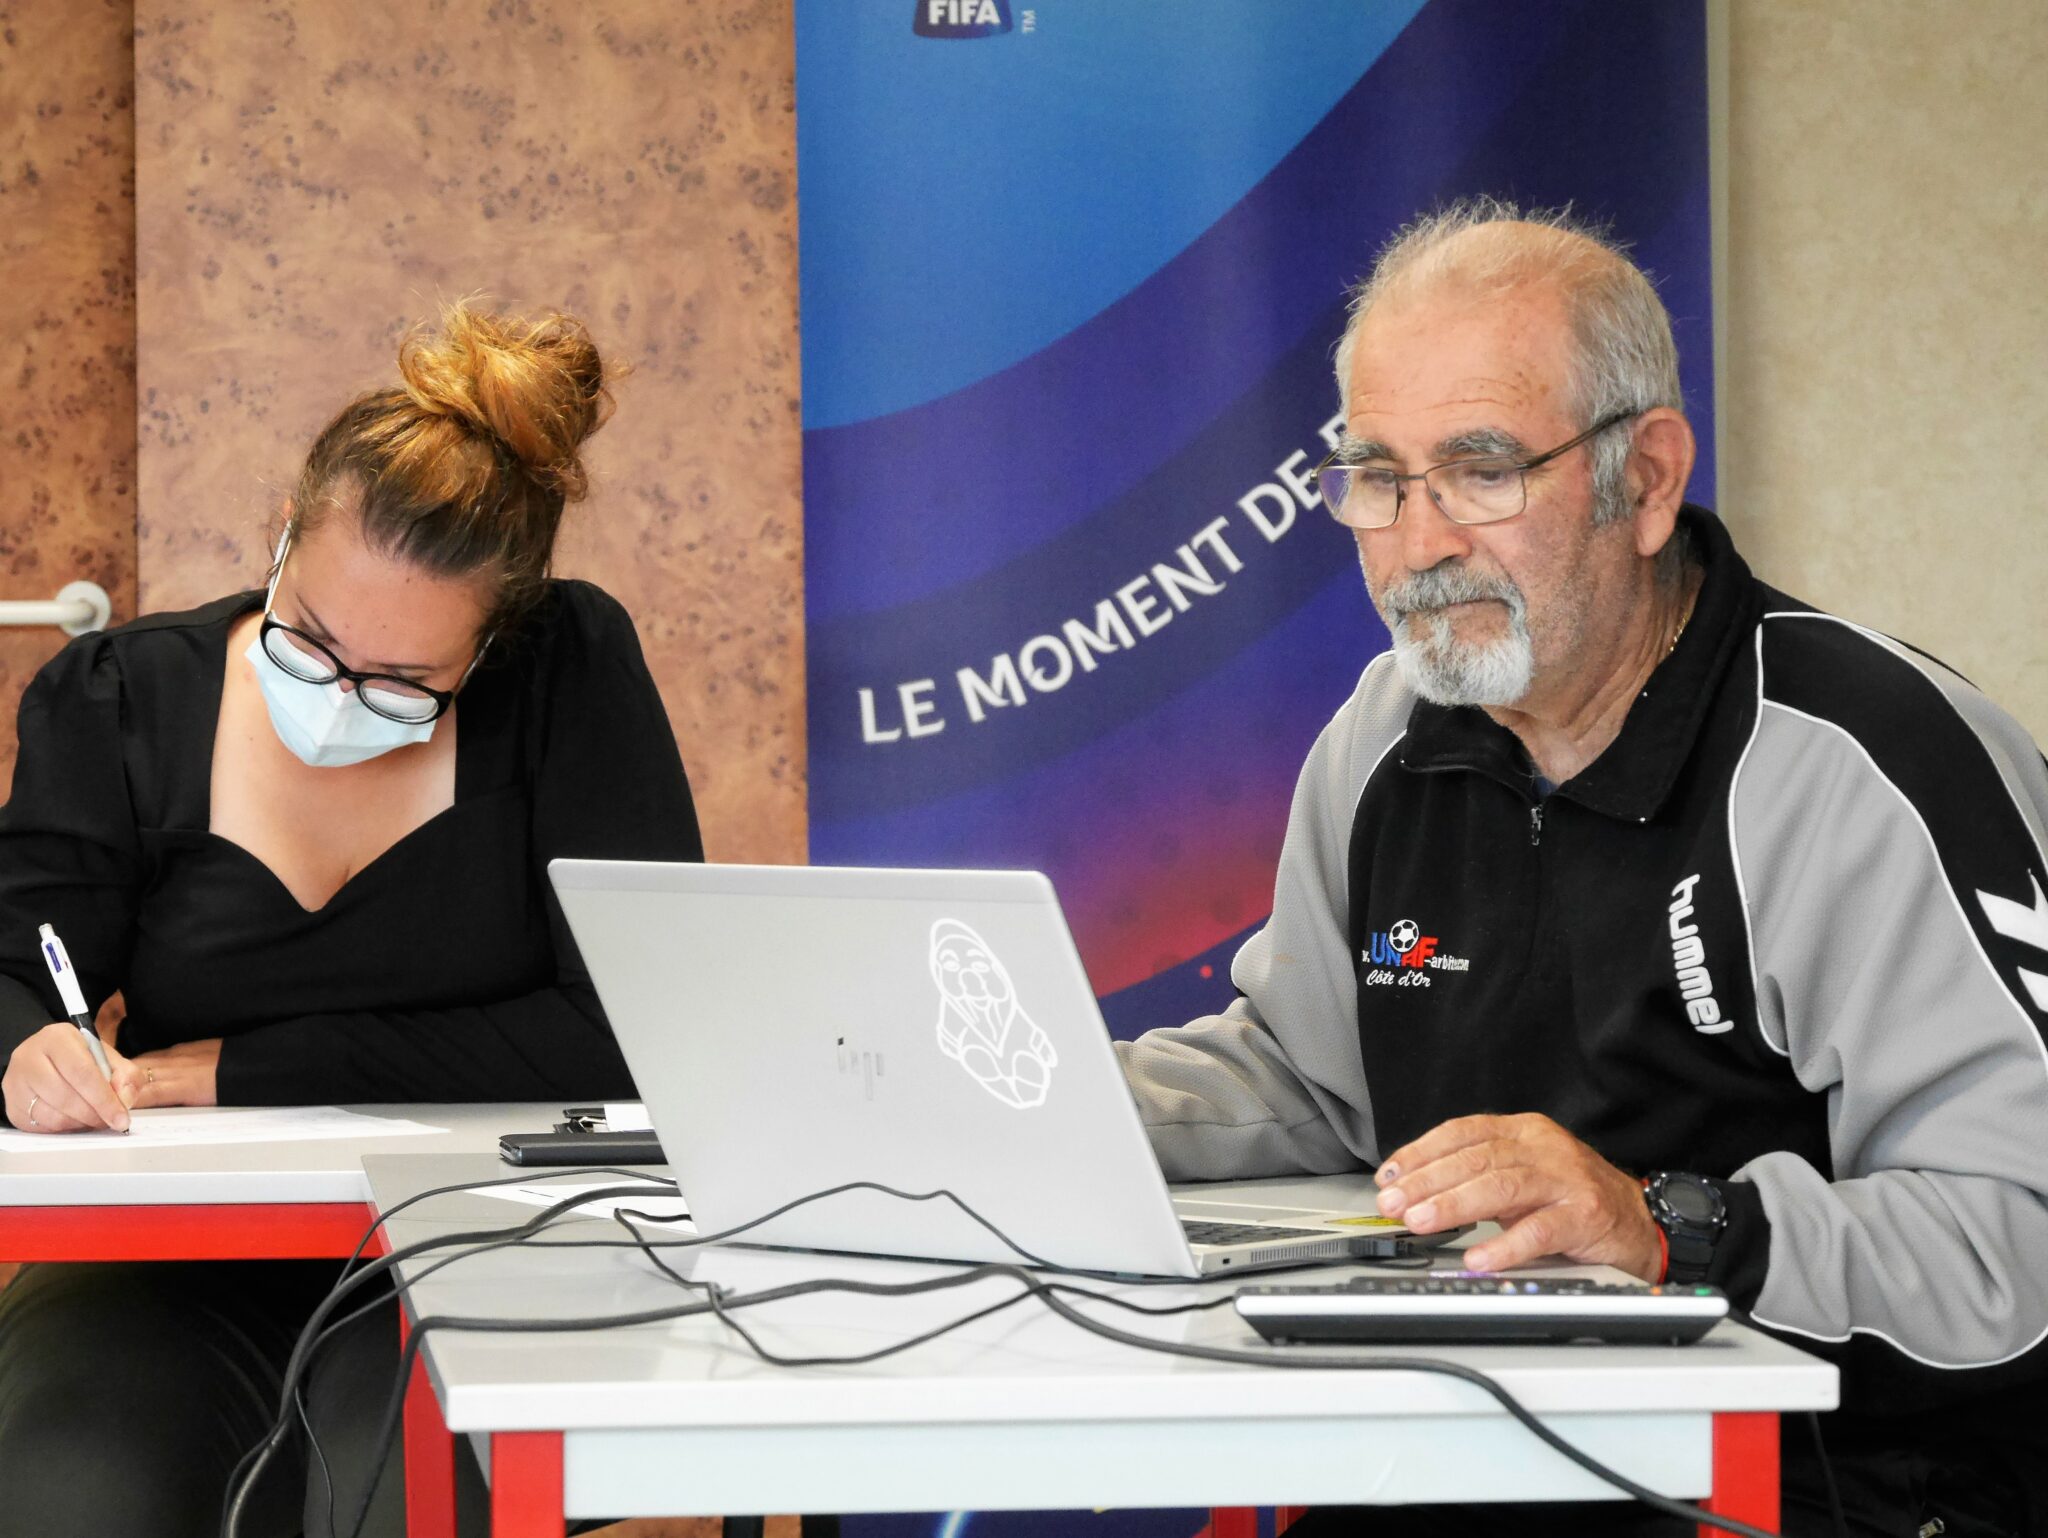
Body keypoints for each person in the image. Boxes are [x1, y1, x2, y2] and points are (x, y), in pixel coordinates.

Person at [1115, 202, 2048, 1538]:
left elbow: (2018, 1234)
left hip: (1840, 1483)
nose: (1420, 541)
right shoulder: (1386, 735)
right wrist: (1033, 1108)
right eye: (1378, 476)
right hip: (1480, 1453)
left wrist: (1668, 1228)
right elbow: (1314, 1078)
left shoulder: (1854, 762)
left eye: (1482, 470)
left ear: (1649, 479)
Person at [0, 302, 703, 1537]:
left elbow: (630, 1027)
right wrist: (24, 1050)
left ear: (492, 647)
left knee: (393, 1500)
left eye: (401, 683)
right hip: (176, 1257)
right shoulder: (119, 700)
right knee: (69, 1489)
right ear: (280, 540)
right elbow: (15, 966)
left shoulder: (567, 674)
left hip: (487, 1238)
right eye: (310, 640)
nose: (333, 700)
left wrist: (237, 1069)